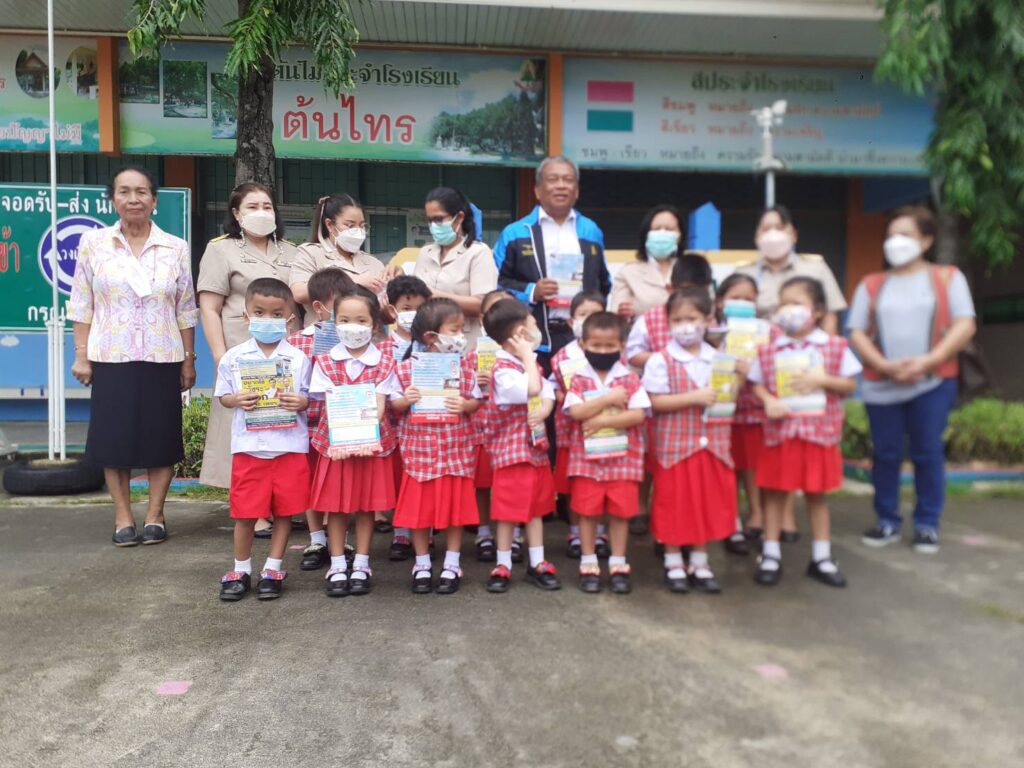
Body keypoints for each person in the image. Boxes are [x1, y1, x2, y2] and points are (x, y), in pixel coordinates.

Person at [69, 165, 198, 547]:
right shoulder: (94, 244)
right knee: (114, 439)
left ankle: (156, 514)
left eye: (141, 192)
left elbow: (185, 307)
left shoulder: (175, 247)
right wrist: (81, 355)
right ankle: (123, 516)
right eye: (124, 191)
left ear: (154, 200)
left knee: (161, 438)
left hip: (162, 355)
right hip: (111, 355)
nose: (133, 199)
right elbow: (82, 303)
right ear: (113, 199)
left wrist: (188, 359)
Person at [848, 206, 976, 554]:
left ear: (926, 240)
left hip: (933, 381)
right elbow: (856, 330)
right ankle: (886, 520)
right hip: (882, 382)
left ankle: (927, 524)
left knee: (927, 451)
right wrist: (884, 365)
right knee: (885, 453)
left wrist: (929, 361)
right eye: (891, 235)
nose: (896, 242)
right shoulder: (871, 284)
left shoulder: (947, 278)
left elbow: (965, 323)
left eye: (905, 234)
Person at [197, 182, 298, 531]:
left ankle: (281, 502)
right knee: (244, 423)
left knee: (282, 421)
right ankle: (252, 508)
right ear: (236, 214)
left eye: (267, 206)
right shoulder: (220, 250)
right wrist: (219, 354)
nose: (261, 213)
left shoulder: (291, 251)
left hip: (284, 352)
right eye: (252, 206)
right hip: (241, 350)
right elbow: (209, 307)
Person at [749, 277, 862, 588]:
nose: (788, 310)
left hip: (818, 436)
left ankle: (821, 557)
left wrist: (823, 380)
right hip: (781, 434)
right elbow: (756, 383)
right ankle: (771, 554)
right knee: (774, 494)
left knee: (816, 496)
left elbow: (850, 384)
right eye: (783, 304)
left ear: (818, 311)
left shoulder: (834, 346)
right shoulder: (769, 350)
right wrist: (768, 400)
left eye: (796, 303)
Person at [215, 279, 311, 601]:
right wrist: (236, 399)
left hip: (289, 447)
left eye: (276, 314)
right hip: (249, 449)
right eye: (259, 312)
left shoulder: (298, 358)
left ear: (290, 319)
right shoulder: (233, 357)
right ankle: (241, 569)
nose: (267, 319)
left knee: (285, 512)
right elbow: (223, 396)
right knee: (245, 513)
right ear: (246, 316)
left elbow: (309, 397)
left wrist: (302, 402)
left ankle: (273, 568)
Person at [643, 287, 737, 594]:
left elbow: (728, 398)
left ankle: (700, 560)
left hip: (713, 446)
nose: (685, 326)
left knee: (705, 501)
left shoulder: (719, 360)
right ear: (668, 322)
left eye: (692, 318)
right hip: (674, 448)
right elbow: (654, 401)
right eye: (678, 319)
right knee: (674, 501)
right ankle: (672, 560)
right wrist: (693, 397)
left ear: (708, 319)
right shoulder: (661, 360)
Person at [308, 288, 397, 597]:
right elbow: (328, 403)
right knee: (336, 507)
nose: (352, 327)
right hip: (336, 446)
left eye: (361, 320)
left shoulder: (385, 361)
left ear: (374, 324)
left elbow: (381, 403)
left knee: (365, 506)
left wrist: (363, 433)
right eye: (344, 320)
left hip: (370, 445)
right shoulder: (324, 361)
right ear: (334, 323)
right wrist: (347, 435)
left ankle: (361, 562)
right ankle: (336, 563)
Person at [390, 298, 482, 594]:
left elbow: (476, 400)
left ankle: (452, 562)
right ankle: (422, 562)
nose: (460, 336)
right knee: (419, 512)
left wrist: (465, 405)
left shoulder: (465, 368)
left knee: (456, 511)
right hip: (420, 456)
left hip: (456, 453)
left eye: (462, 330)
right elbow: (393, 404)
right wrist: (406, 400)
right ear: (431, 336)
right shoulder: (406, 369)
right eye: (454, 330)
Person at [565, 312, 651, 594]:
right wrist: (609, 399)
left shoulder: (630, 378)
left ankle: (618, 562)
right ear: (583, 344)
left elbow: (638, 415)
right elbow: (576, 412)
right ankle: (588, 562)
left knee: (620, 514)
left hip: (623, 461)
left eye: (609, 346)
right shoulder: (579, 379)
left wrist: (602, 420)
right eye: (596, 345)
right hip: (586, 462)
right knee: (587, 513)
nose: (603, 351)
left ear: (622, 346)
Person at [493, 156, 611, 361]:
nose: (561, 185)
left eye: (568, 179)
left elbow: (603, 283)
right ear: (538, 190)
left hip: (583, 339)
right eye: (553, 179)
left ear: (577, 191)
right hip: (532, 339)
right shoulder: (515, 233)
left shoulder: (591, 231)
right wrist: (532, 292)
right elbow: (497, 286)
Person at [481, 299, 561, 593]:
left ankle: (537, 561)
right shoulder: (504, 369)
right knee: (508, 511)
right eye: (533, 323)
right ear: (520, 334)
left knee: (536, 509)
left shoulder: (527, 364)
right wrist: (527, 355)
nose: (537, 328)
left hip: (535, 450)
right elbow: (533, 387)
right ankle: (503, 563)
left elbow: (547, 392)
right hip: (513, 454)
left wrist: (545, 409)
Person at [284, 267, 355, 571]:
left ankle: (341, 539)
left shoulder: (354, 339)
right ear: (318, 306)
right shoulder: (296, 343)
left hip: (342, 428)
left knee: (340, 485)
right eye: (339, 304)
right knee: (310, 484)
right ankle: (317, 539)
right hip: (308, 427)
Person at [548, 291, 608, 558]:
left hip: (604, 430)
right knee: (574, 486)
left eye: (596, 315)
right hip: (570, 432)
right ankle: (575, 531)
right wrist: (558, 393)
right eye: (583, 315)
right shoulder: (562, 356)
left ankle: (600, 531)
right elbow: (551, 385)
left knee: (601, 481)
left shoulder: (612, 351)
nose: (589, 320)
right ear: (572, 321)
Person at [713, 273, 767, 556]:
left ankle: (757, 515)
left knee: (752, 465)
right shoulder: (713, 330)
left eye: (748, 299)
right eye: (735, 298)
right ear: (720, 301)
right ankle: (730, 522)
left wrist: (754, 369)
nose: (742, 303)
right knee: (727, 467)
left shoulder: (765, 331)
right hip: (721, 408)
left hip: (753, 407)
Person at [381, 274, 433, 561]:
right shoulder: (381, 350)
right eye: (406, 308)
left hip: (424, 431)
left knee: (422, 482)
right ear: (392, 310)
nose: (412, 314)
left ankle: (426, 531)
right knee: (399, 481)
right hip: (391, 428)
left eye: (419, 308)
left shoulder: (433, 348)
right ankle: (400, 532)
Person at [466, 289, 518, 563]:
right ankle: (484, 532)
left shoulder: (522, 354)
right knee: (483, 482)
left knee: (511, 482)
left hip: (512, 429)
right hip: (482, 428)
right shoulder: (472, 355)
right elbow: (462, 389)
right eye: (493, 312)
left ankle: (514, 533)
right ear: (482, 318)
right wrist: (475, 380)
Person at [737, 205, 847, 334]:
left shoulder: (816, 270)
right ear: (757, 237)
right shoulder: (744, 274)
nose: (773, 234)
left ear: (794, 235)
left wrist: (828, 344)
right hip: (756, 343)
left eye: (779, 228)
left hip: (805, 344)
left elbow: (829, 316)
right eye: (766, 229)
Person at [413, 187, 498, 344]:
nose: (433, 225)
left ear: (459, 218)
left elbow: (483, 304)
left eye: (439, 219)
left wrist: (433, 295)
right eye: (430, 220)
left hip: (464, 341)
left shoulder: (478, 252)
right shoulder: (425, 252)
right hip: (428, 342)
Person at [291, 194, 386, 323]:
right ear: (330, 225)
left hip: (364, 333)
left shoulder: (373, 262)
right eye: (350, 225)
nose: (358, 231)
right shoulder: (311, 253)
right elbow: (299, 293)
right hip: (322, 332)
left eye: (362, 225)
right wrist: (352, 281)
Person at [626, 252, 713, 370]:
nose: (692, 297)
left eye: (698, 291)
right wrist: (668, 360)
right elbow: (633, 354)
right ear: (670, 288)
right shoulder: (650, 318)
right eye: (686, 290)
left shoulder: (715, 317)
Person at [610, 204, 685, 320]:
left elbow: (705, 309)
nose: (662, 233)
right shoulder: (628, 272)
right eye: (656, 229)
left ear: (680, 235)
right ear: (646, 234)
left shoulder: (693, 269)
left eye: (669, 229)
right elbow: (617, 319)